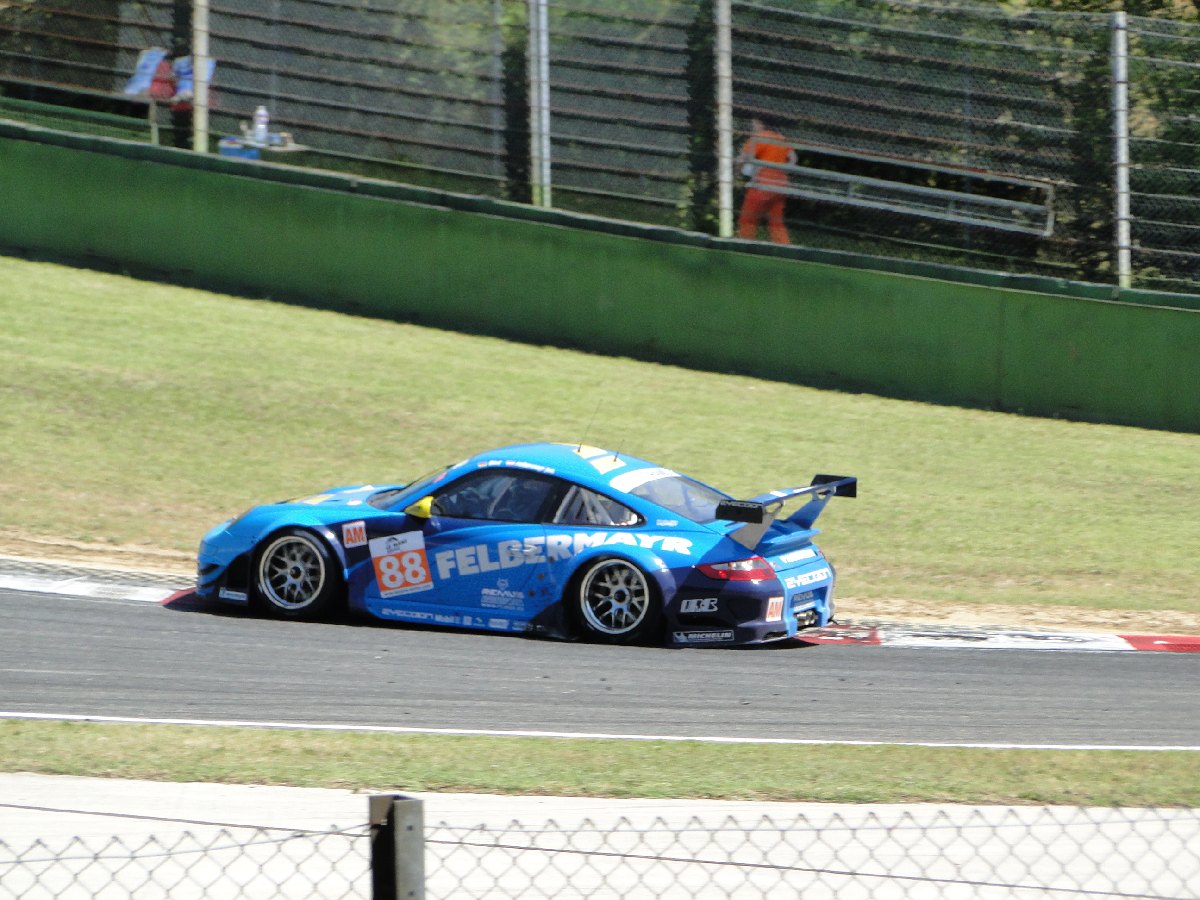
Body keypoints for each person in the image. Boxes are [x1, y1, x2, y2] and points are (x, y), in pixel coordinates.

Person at [736, 115, 797, 244]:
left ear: (761, 124)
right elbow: (793, 158)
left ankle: (745, 245)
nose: (753, 127)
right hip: (780, 183)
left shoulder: (759, 137)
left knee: (748, 218)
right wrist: (783, 170)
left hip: (762, 182)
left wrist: (739, 170)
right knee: (776, 221)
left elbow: (743, 158)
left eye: (754, 124)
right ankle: (783, 248)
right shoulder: (781, 138)